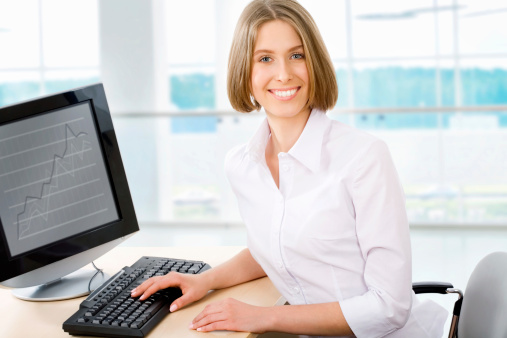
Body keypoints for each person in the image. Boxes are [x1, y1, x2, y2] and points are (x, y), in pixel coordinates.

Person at [131, 0, 448, 336]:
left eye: (297, 55)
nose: (283, 73)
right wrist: (203, 280)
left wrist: (263, 317)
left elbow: (390, 308)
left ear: (315, 63)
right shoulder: (242, 165)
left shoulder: (364, 158)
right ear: (245, 70)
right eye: (265, 58)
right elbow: (275, 251)